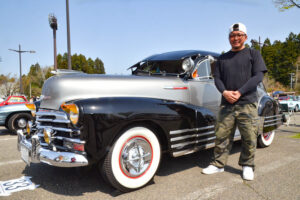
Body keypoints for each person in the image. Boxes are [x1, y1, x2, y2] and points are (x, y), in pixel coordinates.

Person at [202, 23, 267, 181]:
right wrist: (224, 92)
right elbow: (217, 78)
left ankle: (247, 165)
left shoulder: (253, 54)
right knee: (222, 135)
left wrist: (240, 92)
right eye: (232, 35)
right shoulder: (222, 58)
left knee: (249, 136)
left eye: (239, 35)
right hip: (227, 104)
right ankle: (218, 164)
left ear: (245, 37)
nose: (235, 38)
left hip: (247, 102)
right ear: (229, 38)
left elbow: (258, 76)